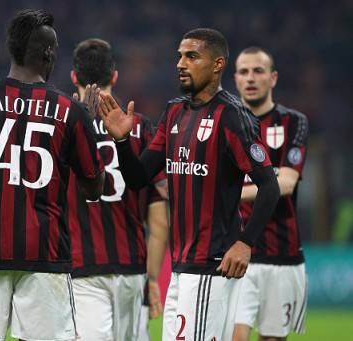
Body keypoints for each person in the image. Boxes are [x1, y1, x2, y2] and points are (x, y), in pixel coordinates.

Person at [98, 28, 281, 341]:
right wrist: (123, 141)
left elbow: (270, 186)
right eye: (180, 56)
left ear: (217, 64)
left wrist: (245, 243)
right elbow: (138, 179)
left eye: (192, 56)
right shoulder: (174, 112)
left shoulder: (232, 115)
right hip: (182, 268)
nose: (181, 63)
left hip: (211, 264)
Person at [0, 9, 105, 341]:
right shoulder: (71, 113)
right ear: (49, 53)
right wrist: (89, 127)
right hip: (46, 255)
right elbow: (93, 189)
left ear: (10, 49)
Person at [67, 38, 169, 341]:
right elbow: (160, 219)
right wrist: (152, 278)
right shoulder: (142, 128)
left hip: (82, 265)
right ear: (115, 76)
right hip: (132, 267)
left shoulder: (62, 126)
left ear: (74, 77)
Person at [232, 47, 309, 341]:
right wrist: (271, 175)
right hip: (237, 251)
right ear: (235, 78)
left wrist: (228, 192)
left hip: (282, 254)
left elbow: (286, 184)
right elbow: (277, 177)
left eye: (258, 71)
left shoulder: (294, 122)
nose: (250, 78)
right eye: (243, 71)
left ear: (273, 77)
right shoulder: (227, 122)